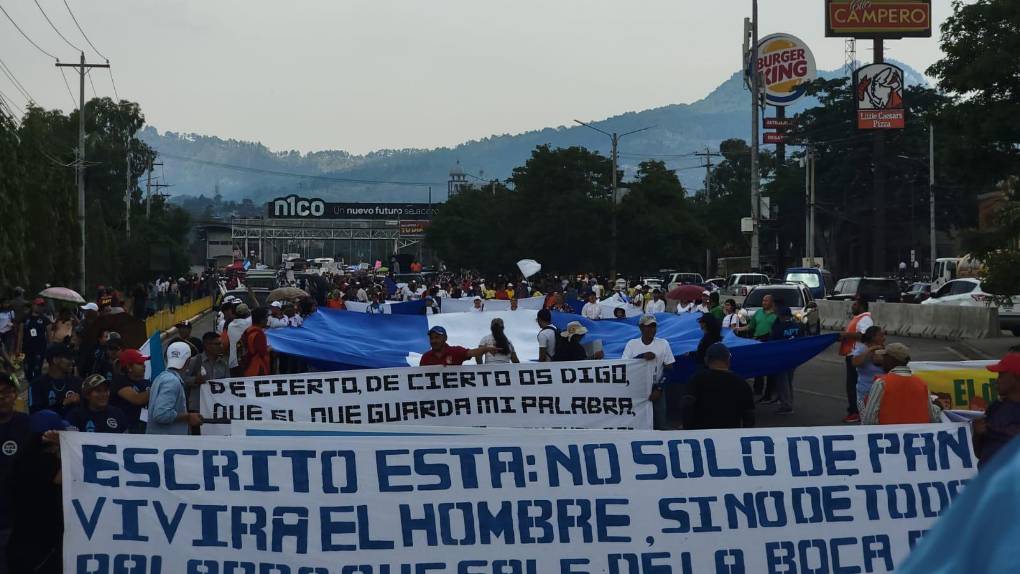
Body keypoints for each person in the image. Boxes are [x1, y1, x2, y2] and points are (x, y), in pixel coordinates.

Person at [7, 411, 65, 574]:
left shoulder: (22, 458)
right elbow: (63, 477)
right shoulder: (41, 461)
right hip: (36, 547)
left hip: (22, 541)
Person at [860, 343, 941, 425]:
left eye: (884, 357)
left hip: (888, 435)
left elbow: (869, 420)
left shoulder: (881, 383)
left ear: (891, 359)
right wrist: (937, 407)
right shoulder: (922, 384)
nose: (882, 361)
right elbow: (933, 418)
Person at [681, 343, 755, 430]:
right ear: (728, 360)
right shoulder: (741, 383)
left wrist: (688, 428)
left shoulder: (697, 379)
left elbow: (687, 405)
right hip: (730, 437)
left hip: (702, 436)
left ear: (706, 360)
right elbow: (749, 414)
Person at [623, 314, 675, 430]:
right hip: (637, 388)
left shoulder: (663, 344)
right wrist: (641, 356)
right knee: (636, 420)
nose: (652, 329)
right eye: (648, 326)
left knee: (660, 422)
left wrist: (659, 388)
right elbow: (625, 365)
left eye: (654, 326)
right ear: (641, 328)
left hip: (656, 387)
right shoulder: (632, 344)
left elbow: (670, 368)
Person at [0, 373, 29, 570]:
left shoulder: (27, 424)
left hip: (13, 515)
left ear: (15, 395)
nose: (2, 398)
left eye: (7, 392)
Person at [972, 353, 1020, 468]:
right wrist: (978, 434)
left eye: (1001, 375)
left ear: (1016, 377)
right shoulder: (995, 407)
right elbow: (979, 453)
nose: (997, 380)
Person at [147, 342, 202, 435]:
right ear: (188, 361)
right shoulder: (172, 381)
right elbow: (161, 414)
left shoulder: (162, 377)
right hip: (166, 443)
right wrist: (188, 417)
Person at [838, 298, 873, 423]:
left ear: (862, 307)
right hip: (852, 354)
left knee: (853, 385)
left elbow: (865, 336)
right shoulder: (859, 318)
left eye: (855, 304)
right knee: (852, 384)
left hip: (856, 355)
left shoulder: (865, 319)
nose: (852, 306)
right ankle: (855, 410)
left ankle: (855, 411)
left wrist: (846, 335)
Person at [28, 343, 82, 418]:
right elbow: (35, 415)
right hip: (49, 428)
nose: (72, 361)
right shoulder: (36, 385)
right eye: (68, 358)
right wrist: (63, 403)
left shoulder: (77, 382)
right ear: (55, 360)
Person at [182, 332, 229, 417]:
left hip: (217, 408)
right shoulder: (194, 361)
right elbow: (182, 380)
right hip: (198, 408)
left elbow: (228, 384)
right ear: (207, 345)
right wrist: (195, 380)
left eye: (221, 344)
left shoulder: (223, 364)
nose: (221, 346)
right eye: (217, 344)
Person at [770, 307, 805, 415]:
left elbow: (772, 343)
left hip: (781, 358)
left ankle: (786, 405)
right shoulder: (798, 326)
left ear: (782, 316)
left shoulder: (778, 328)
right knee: (789, 381)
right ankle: (788, 401)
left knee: (782, 382)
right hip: (793, 358)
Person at [742, 294, 777, 398]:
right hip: (757, 343)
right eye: (763, 301)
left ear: (772, 302)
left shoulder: (776, 316)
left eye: (766, 301)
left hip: (769, 344)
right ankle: (757, 389)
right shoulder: (758, 313)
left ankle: (770, 391)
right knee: (758, 367)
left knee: (770, 369)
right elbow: (750, 326)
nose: (763, 303)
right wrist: (739, 329)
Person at [110, 349, 151, 433]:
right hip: (126, 429)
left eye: (143, 363)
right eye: (140, 363)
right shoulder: (119, 381)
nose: (144, 366)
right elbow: (137, 399)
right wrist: (158, 387)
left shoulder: (146, 383)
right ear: (129, 367)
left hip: (145, 427)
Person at [852, 325, 886, 416]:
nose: (884, 338)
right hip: (865, 392)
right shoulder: (861, 350)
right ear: (872, 337)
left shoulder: (884, 350)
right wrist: (870, 351)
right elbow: (855, 362)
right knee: (866, 418)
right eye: (881, 335)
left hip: (881, 392)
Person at [419, 326, 495, 366]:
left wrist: (487, 349)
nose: (433, 341)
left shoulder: (455, 351)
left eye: (437, 337)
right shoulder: (426, 357)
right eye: (431, 338)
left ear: (445, 338)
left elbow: (472, 352)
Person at [19, 298, 50, 381]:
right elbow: (20, 334)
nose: (39, 307)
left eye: (42, 306)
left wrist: (49, 348)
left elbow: (49, 335)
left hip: (40, 349)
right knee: (27, 370)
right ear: (33, 305)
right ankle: (30, 383)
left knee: (37, 370)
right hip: (26, 348)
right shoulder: (25, 318)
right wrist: (18, 348)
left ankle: (36, 387)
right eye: (38, 305)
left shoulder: (45, 320)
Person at [240, 307, 271, 377]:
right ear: (261, 320)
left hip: (248, 364)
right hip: (258, 368)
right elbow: (262, 352)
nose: (267, 321)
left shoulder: (248, 330)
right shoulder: (259, 333)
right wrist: (270, 348)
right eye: (266, 318)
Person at [227, 303, 253, 376]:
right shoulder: (248, 323)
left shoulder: (230, 325)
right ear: (247, 313)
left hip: (232, 362)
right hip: (244, 362)